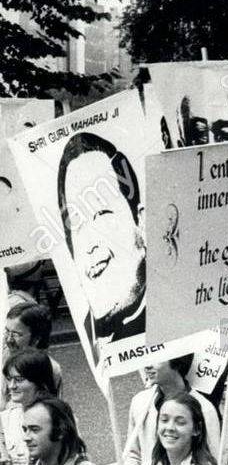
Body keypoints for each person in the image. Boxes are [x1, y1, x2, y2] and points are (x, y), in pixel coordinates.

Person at [56, 133, 146, 356]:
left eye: (102, 213)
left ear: (141, 222)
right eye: (75, 222)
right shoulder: (94, 335)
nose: (89, 245)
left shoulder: (175, 320)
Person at [118, 354, 221, 465]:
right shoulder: (139, 402)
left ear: (178, 359)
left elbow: (213, 464)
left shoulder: (204, 409)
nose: (147, 365)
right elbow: (134, 455)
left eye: (156, 357)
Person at [1, 348, 60, 465]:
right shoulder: (4, 421)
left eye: (19, 380)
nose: (11, 386)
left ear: (39, 381)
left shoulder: (58, 418)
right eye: (9, 379)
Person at [2, 302, 61, 407]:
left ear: (36, 339)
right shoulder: (3, 355)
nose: (8, 339)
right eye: (7, 331)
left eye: (16, 334)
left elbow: (50, 412)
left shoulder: (49, 369)